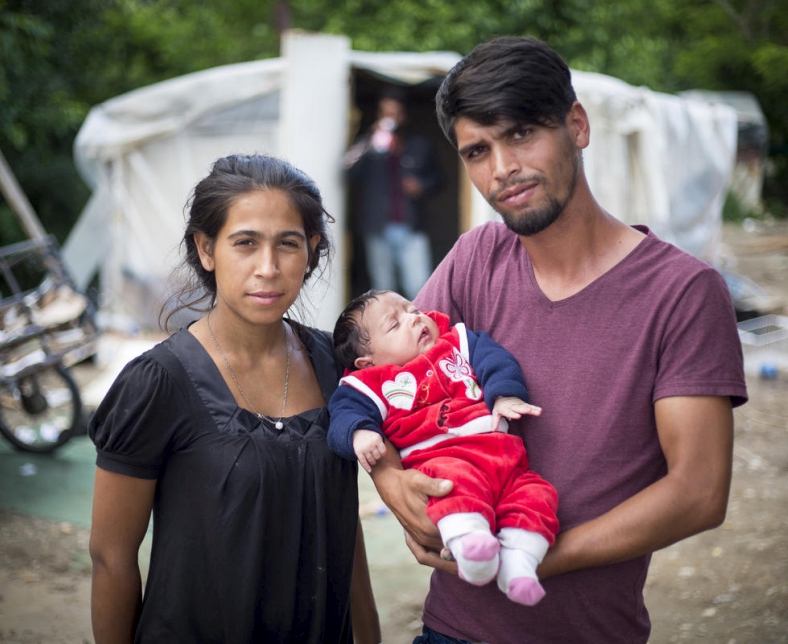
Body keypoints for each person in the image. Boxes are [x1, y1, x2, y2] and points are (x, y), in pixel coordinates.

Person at [368, 37, 749, 643]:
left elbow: (699, 491)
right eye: (477, 150)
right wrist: (393, 484)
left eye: (520, 134)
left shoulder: (682, 292)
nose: (502, 169)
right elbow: (382, 381)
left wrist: (542, 556)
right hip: (451, 629)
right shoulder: (475, 259)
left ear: (577, 125)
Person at [87, 154, 381, 643]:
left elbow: (343, 527)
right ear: (206, 249)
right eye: (245, 243)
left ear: (311, 250)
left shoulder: (338, 366)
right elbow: (111, 558)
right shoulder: (158, 383)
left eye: (287, 244)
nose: (267, 268)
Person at [327, 290, 559, 606]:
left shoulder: (457, 341)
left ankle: (520, 565)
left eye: (413, 309)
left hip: (504, 457)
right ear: (367, 362)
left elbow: (495, 360)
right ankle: (472, 549)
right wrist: (360, 434)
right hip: (443, 459)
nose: (414, 318)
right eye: (395, 324)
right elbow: (342, 415)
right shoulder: (369, 383)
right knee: (451, 489)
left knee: (537, 494)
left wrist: (504, 395)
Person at [344, 88, 442, 298]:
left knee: (419, 285)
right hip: (377, 226)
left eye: (394, 114)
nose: (390, 119)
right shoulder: (370, 146)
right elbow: (348, 172)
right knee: (383, 288)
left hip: (411, 226)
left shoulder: (418, 146)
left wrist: (421, 185)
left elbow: (439, 180)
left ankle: (422, 329)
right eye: (385, 114)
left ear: (403, 116)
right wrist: (370, 138)